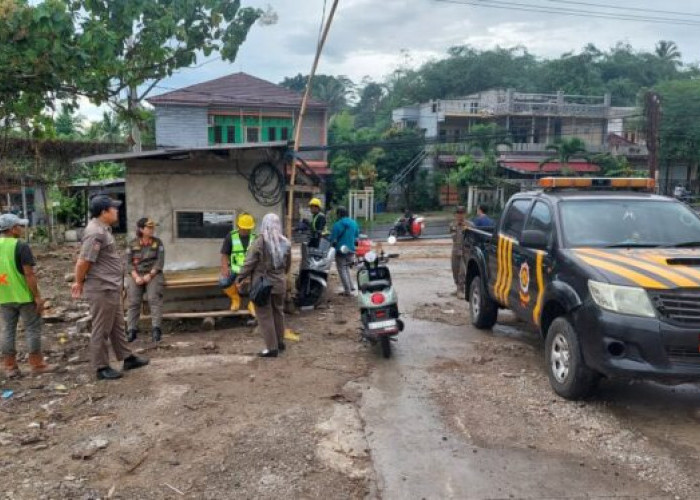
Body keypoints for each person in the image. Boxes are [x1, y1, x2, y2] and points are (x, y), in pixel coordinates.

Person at [71, 195, 149, 381]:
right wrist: (78, 282)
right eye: (113, 208)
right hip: (101, 288)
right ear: (104, 212)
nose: (117, 211)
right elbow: (84, 261)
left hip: (110, 286)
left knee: (116, 326)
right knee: (102, 328)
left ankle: (126, 357)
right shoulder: (95, 233)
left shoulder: (103, 229)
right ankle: (101, 367)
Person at [0, 214, 56, 377]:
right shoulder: (21, 246)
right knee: (32, 328)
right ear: (12, 229)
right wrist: (37, 296)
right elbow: (29, 274)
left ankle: (10, 366)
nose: (23, 228)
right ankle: (37, 364)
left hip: (4, 296)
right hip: (24, 296)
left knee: (8, 329)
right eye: (20, 225)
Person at [236, 213, 291, 358]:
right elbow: (287, 266)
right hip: (280, 283)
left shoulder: (259, 242)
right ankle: (280, 343)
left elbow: (249, 263)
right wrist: (279, 275)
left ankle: (271, 348)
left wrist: (240, 277)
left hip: (263, 285)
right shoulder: (285, 242)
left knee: (265, 315)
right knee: (278, 312)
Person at [126, 218, 165, 343]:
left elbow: (160, 262)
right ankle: (132, 330)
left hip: (153, 274)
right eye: (149, 228)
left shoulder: (158, 243)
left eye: (153, 227)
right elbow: (128, 263)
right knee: (133, 301)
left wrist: (150, 275)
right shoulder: (132, 244)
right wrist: (136, 277)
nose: (152, 230)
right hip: (136, 274)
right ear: (141, 229)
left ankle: (156, 329)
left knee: (154, 299)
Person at [220, 213, 256, 313]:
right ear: (238, 226)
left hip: (250, 270)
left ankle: (253, 303)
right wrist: (225, 268)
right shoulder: (231, 237)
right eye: (244, 228)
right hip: (235, 269)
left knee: (261, 282)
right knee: (223, 281)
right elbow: (224, 254)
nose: (246, 231)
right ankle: (235, 299)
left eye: (248, 229)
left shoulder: (255, 238)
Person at [330, 207, 360, 296]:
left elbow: (333, 239)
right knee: (347, 268)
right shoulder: (354, 223)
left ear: (339, 214)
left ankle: (347, 291)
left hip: (340, 250)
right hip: (351, 249)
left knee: (342, 269)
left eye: (337, 214)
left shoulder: (337, 224)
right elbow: (356, 236)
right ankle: (351, 286)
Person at [450, 206, 468, 299]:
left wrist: (464, 226)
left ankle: (461, 289)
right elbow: (453, 237)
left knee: (462, 271)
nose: (460, 215)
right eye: (458, 213)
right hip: (455, 249)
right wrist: (457, 225)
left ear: (465, 214)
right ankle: (457, 287)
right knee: (455, 269)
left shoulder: (469, 225)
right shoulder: (453, 225)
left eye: (461, 213)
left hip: (465, 251)